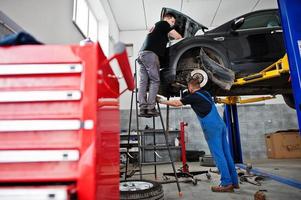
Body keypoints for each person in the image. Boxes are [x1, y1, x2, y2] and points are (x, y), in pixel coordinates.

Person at [157, 77, 239, 192]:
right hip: (221, 125)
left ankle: (226, 183)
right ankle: (234, 182)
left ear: (190, 87)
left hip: (212, 127)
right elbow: (188, 97)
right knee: (226, 154)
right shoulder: (205, 93)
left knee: (218, 155)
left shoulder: (194, 97)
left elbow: (176, 103)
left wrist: (161, 101)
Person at [137, 12, 182, 116]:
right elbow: (178, 36)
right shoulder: (163, 23)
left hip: (142, 55)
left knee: (143, 82)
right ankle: (150, 108)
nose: (172, 24)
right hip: (150, 55)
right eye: (172, 21)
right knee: (155, 80)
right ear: (168, 19)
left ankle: (142, 108)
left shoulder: (156, 28)